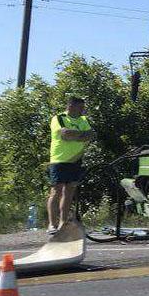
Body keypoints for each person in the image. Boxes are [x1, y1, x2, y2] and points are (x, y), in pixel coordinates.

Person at [47, 96, 95, 234]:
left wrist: (76, 135)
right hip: (59, 159)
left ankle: (63, 222)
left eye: (83, 108)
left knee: (69, 192)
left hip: (76, 160)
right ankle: (52, 224)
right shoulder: (59, 118)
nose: (83, 110)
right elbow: (65, 134)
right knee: (56, 191)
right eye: (80, 108)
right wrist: (81, 135)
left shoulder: (83, 120)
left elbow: (91, 135)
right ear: (71, 106)